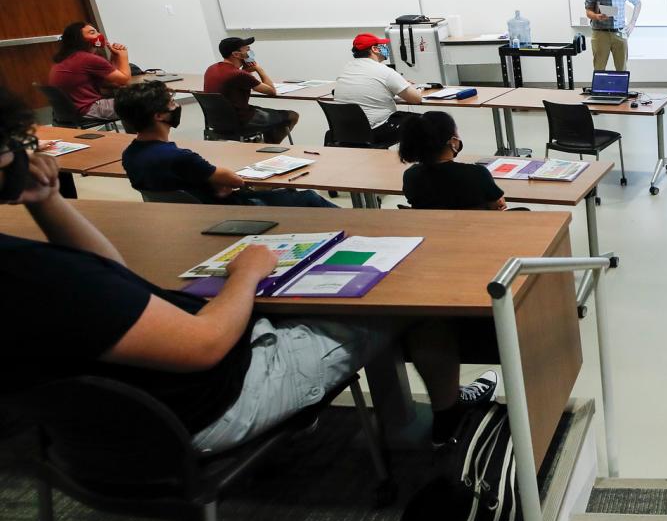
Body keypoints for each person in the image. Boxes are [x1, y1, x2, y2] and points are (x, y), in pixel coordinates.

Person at [0, 86, 499, 452]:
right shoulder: (34, 275)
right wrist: (247, 271)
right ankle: (429, 419)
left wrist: (47, 201)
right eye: (15, 144)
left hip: (92, 437)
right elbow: (204, 344)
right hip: (212, 405)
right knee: (395, 296)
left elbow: (107, 279)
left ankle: (344, 411)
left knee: (279, 305)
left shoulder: (35, 265)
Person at [114, 81, 336, 208]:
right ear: (159, 116)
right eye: (172, 103)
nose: (176, 107)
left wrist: (215, 184)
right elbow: (235, 181)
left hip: (186, 217)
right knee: (307, 198)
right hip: (230, 213)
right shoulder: (180, 157)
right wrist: (221, 184)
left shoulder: (130, 154)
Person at [398, 111, 507, 211]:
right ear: (452, 142)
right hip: (475, 229)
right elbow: (497, 205)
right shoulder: (477, 174)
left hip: (432, 230)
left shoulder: (411, 176)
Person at [332, 33, 423, 147]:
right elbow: (416, 98)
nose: (386, 49)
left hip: (347, 131)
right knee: (424, 121)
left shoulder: (346, 69)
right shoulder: (384, 71)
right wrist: (407, 86)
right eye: (383, 46)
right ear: (375, 49)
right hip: (377, 130)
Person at [203, 37, 298, 144]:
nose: (250, 52)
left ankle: (261, 144)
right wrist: (258, 69)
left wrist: (246, 71)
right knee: (292, 116)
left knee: (270, 115)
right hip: (241, 120)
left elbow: (243, 83)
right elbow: (271, 90)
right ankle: (269, 145)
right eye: (247, 49)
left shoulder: (212, 69)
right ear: (236, 54)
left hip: (217, 121)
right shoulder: (238, 74)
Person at [47, 22, 132, 120]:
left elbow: (113, 82)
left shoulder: (66, 58)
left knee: (135, 102)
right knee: (145, 104)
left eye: (97, 32)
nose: (99, 35)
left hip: (68, 113)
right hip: (88, 109)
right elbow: (125, 80)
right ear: (78, 39)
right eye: (92, 33)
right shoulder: (88, 59)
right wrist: (123, 55)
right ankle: (143, 135)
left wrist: (115, 57)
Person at [583, 0, 641, 72]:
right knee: (599, 67)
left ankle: (620, 90)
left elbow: (637, 2)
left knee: (622, 68)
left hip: (620, 33)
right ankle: (600, 89)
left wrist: (633, 23)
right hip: (600, 33)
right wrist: (597, 16)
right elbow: (588, 11)